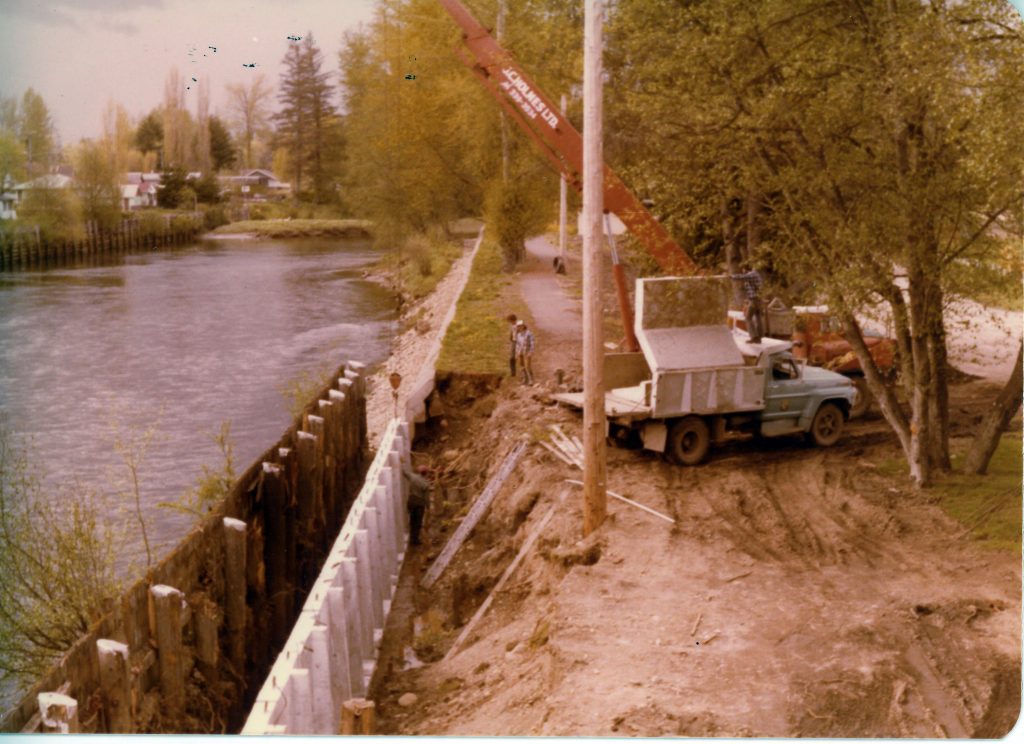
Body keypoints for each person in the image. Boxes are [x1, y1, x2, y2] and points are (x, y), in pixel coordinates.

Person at [730, 268, 764, 343]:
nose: (743, 271)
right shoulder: (756, 274)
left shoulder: (752, 274)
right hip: (758, 300)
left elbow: (741, 277)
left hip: (754, 300)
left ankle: (754, 337)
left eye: (743, 270)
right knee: (758, 318)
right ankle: (759, 337)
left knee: (748, 318)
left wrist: (730, 276)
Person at [402, 463, 430, 546]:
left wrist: (401, 463)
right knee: (418, 522)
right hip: (419, 504)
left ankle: (411, 537)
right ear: (426, 473)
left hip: (411, 502)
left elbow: (404, 473)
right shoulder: (426, 484)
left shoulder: (412, 477)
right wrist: (428, 507)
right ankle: (415, 540)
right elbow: (426, 498)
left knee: (412, 519)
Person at [515, 319, 535, 385]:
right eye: (518, 326)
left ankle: (531, 380)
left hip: (527, 351)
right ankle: (525, 379)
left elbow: (532, 343)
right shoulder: (518, 335)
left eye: (520, 326)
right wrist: (517, 352)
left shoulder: (528, 333)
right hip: (521, 352)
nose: (519, 327)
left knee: (528, 366)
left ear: (523, 326)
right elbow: (517, 344)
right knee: (522, 366)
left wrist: (531, 351)